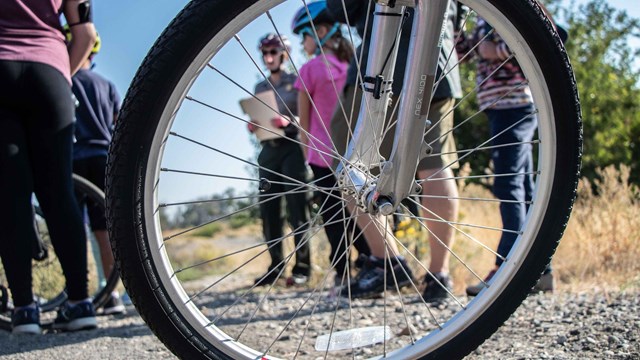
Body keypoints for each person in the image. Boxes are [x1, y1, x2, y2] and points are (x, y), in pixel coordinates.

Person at [325, 0, 463, 302]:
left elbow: (340, 8)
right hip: (437, 58)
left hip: (380, 62)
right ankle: (439, 274)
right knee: (434, 163)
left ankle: (387, 261)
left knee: (351, 167)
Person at [0, 0, 98, 333]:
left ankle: (25, 309)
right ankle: (81, 303)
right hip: (49, 71)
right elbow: (85, 34)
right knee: (58, 192)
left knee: (10, 197)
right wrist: (59, 75)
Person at [458, 16, 559, 296]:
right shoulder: (481, 15)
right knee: (524, 187)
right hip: (498, 107)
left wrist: (495, 51)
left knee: (508, 184)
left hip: (514, 105)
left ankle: (508, 268)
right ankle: (540, 270)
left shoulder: (509, 9)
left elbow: (542, 39)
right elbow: (462, 53)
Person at [291, 1, 371, 289]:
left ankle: (343, 276)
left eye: (305, 35)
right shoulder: (354, 65)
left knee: (334, 220)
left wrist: (306, 155)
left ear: (321, 31)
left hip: (321, 157)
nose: (303, 43)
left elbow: (304, 120)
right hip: (355, 153)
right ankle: (371, 263)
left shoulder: (310, 69)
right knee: (360, 212)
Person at [66, 27, 125, 314]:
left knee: (74, 227)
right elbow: (118, 121)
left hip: (73, 158)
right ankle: (111, 294)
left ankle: (79, 295)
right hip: (104, 156)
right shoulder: (106, 84)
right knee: (105, 229)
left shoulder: (65, 79)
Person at [248, 33, 312, 287]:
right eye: (265, 53)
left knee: (298, 209)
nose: (269, 58)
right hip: (268, 150)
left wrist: (290, 121)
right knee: (269, 210)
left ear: (284, 54)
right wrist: (254, 125)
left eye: (273, 52)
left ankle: (303, 269)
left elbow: (309, 115)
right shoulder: (259, 87)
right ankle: (275, 267)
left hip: (293, 147)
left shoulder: (297, 81)